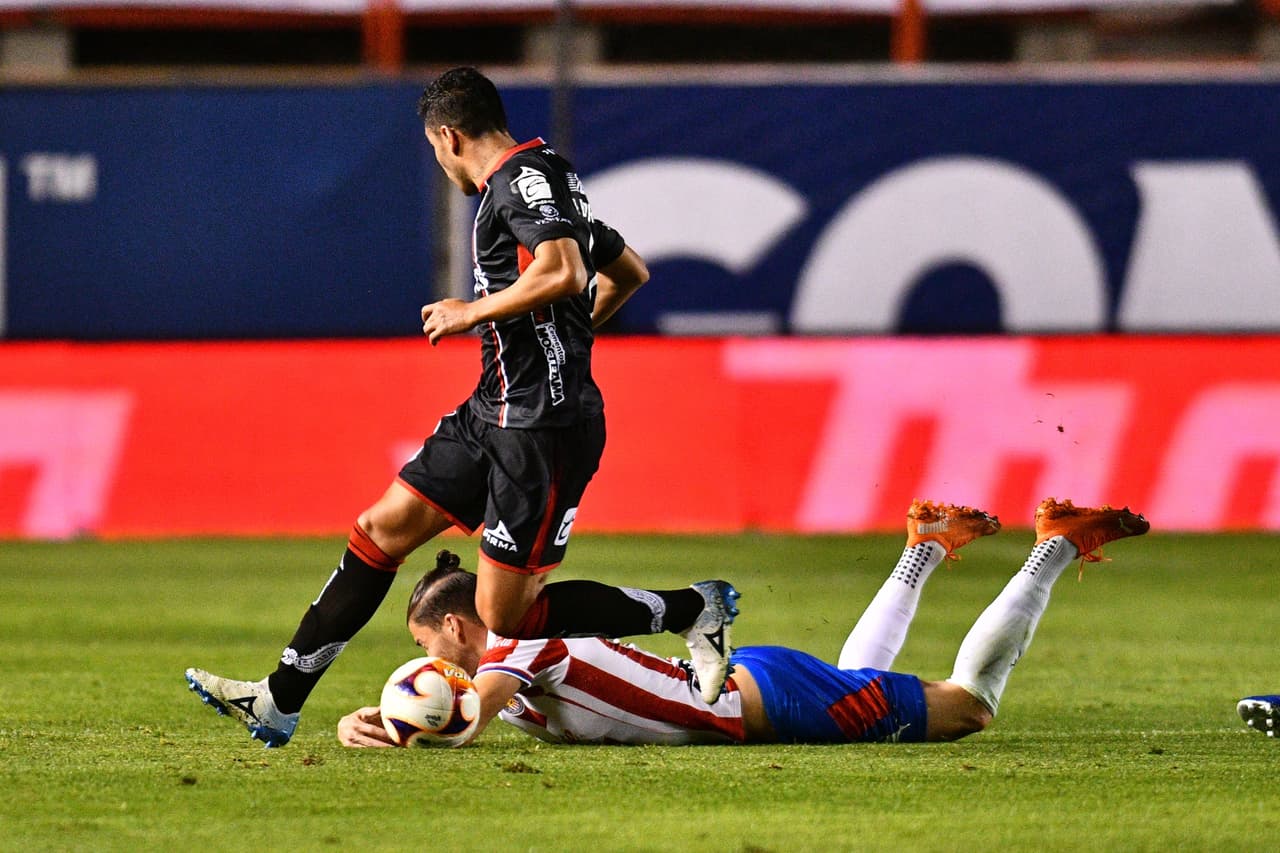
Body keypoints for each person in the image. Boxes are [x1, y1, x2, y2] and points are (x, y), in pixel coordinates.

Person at [186, 66, 739, 747]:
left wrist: (470, 310)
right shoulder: (549, 179)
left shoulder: (518, 183)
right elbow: (629, 271)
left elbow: (564, 270)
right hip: (493, 408)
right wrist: (568, 337)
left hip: (542, 427)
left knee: (505, 612)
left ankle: (693, 608)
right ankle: (278, 698)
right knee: (380, 528)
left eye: (433, 149)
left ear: (448, 136)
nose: (439, 161)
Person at [338, 497, 1150, 748]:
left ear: (453, 630)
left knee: (969, 705)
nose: (427, 665)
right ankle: (925, 547)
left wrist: (405, 731)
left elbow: (471, 712)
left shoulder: (517, 642)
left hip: (765, 703)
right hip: (757, 685)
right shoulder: (511, 667)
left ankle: (1053, 543)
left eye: (422, 648)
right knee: (859, 680)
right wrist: (387, 717)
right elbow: (478, 704)